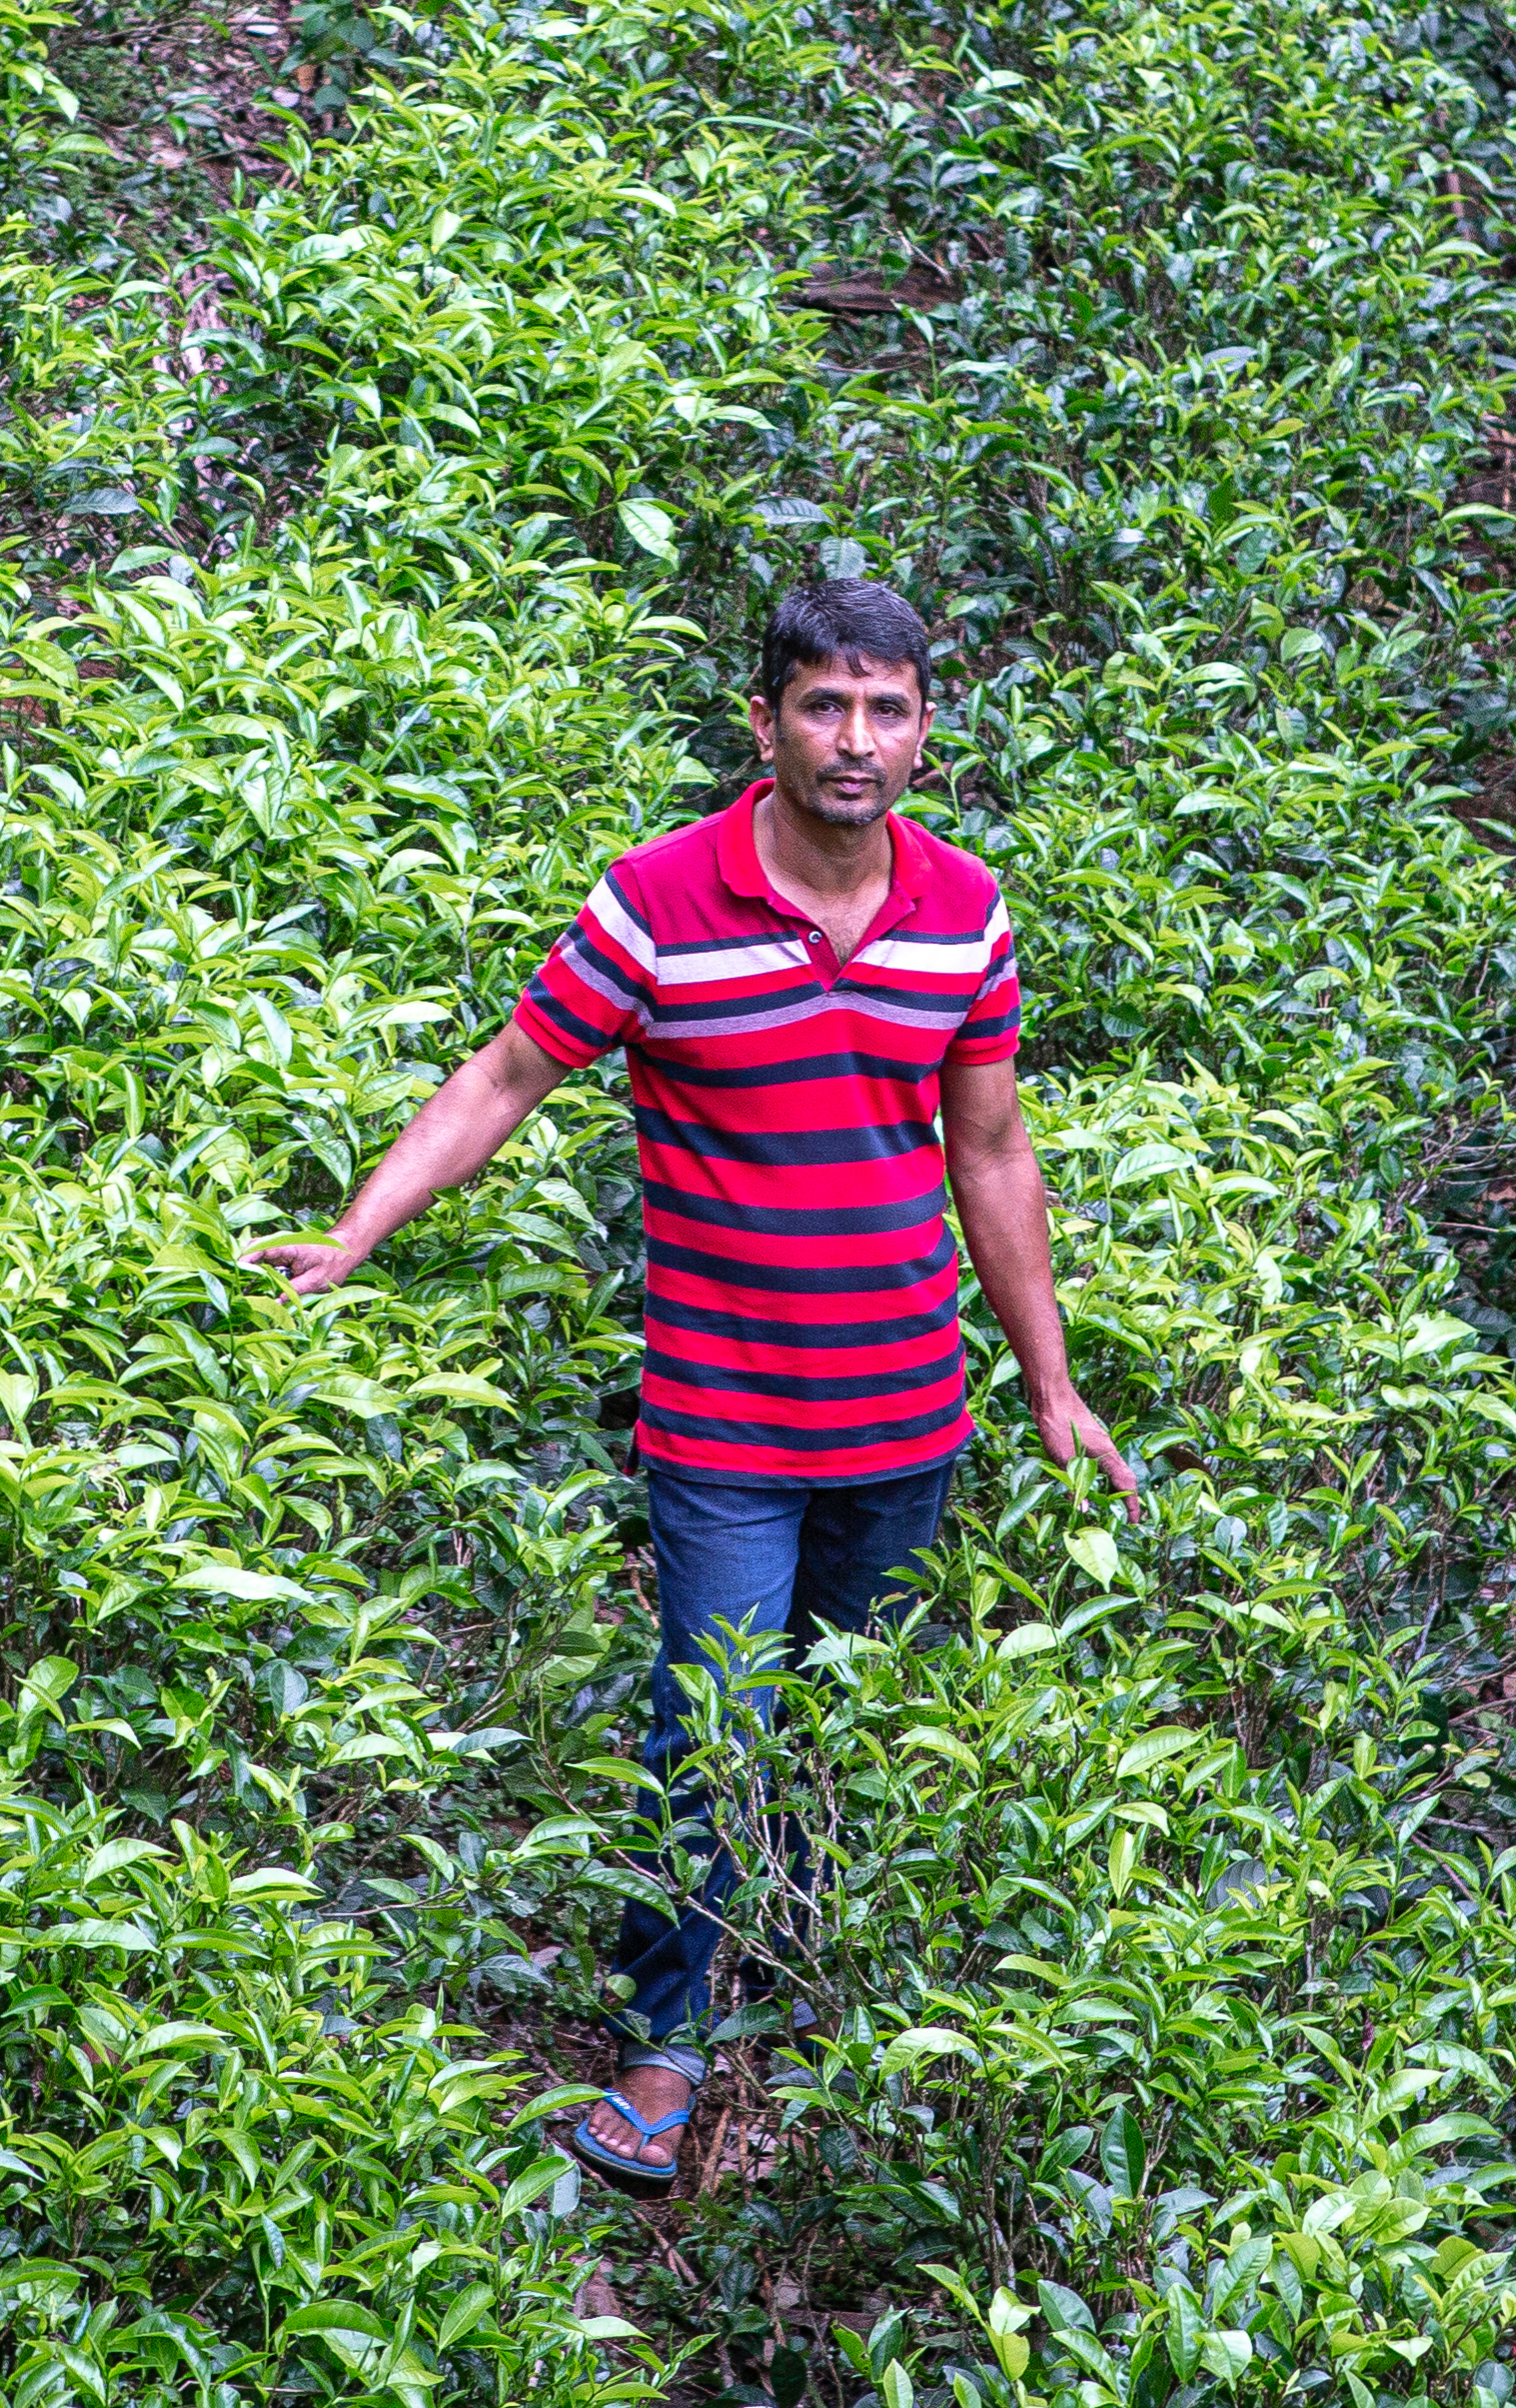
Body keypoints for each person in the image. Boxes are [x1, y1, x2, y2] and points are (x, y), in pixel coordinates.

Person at [251, 574, 1137, 2193]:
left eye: (885, 709)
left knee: (846, 1721)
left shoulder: (965, 909)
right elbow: (508, 1072)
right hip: (726, 1423)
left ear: (927, 734)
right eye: (821, 706)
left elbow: (990, 1147)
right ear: (765, 723)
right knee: (708, 1727)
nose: (851, 740)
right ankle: (666, 2046)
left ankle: (807, 1991)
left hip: (905, 1422)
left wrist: (1048, 1381)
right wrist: (355, 1235)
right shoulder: (659, 903)